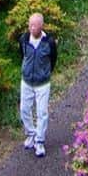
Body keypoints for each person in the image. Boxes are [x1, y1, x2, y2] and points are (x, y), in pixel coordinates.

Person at [19, 11, 58, 158]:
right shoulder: (23, 39)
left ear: (41, 26)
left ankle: (40, 141)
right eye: (30, 25)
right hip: (27, 81)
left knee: (42, 112)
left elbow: (53, 59)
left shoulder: (49, 42)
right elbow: (22, 55)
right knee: (24, 109)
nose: (31, 28)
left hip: (43, 83)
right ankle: (31, 133)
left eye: (34, 25)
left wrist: (45, 73)